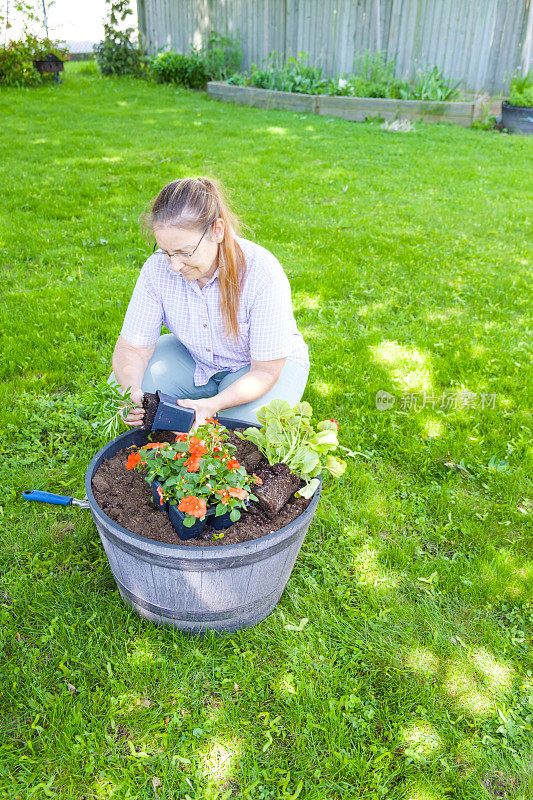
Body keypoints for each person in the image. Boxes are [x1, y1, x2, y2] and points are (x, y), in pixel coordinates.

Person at [111, 177, 310, 429]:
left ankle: (216, 405)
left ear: (217, 230)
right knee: (119, 385)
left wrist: (214, 404)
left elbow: (265, 372)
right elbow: (132, 348)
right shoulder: (157, 269)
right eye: (166, 251)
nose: (174, 265)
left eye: (184, 252)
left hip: (259, 367)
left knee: (242, 432)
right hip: (196, 357)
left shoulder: (261, 272)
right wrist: (131, 391)